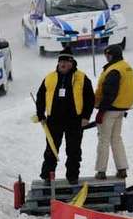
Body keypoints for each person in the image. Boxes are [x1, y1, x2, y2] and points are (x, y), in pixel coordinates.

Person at [35, 52, 95, 185]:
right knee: (51, 149)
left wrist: (86, 116)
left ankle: (72, 176)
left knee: (73, 150)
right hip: (54, 121)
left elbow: (90, 99)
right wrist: (40, 115)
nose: (62, 64)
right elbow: (40, 97)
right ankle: (47, 176)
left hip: (74, 121)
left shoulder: (82, 78)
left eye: (66, 61)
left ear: (72, 63)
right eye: (60, 61)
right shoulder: (50, 78)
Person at [94, 43, 133, 179]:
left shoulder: (114, 70)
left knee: (104, 140)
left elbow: (109, 93)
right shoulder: (127, 67)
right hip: (121, 109)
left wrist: (101, 110)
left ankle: (101, 171)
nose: (106, 57)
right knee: (116, 139)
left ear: (111, 55)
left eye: (107, 54)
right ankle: (122, 169)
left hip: (110, 110)